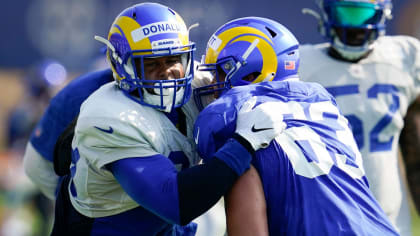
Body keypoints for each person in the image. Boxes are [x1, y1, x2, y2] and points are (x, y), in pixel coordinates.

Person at [50, 3, 284, 235]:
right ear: (123, 67)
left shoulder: (196, 87)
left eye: (172, 59)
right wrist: (243, 143)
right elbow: (176, 203)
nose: (166, 72)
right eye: (151, 63)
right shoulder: (112, 119)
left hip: (162, 227)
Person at [193, 16, 399, 235]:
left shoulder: (231, 114)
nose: (214, 84)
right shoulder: (323, 103)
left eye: (221, 72)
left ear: (251, 73)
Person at [299, 0, 420, 235]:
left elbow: (415, 148)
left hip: (391, 221)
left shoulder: (404, 58)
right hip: (326, 220)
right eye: (347, 13)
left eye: (362, 15)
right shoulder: (302, 67)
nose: (355, 28)